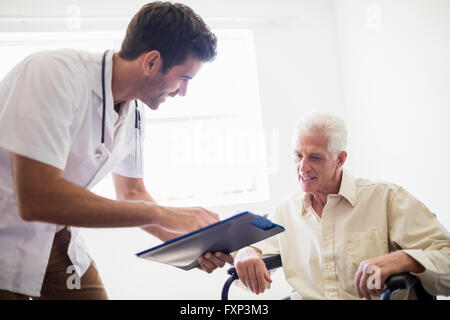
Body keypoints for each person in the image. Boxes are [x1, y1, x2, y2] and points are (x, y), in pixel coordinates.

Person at [0, 2, 233, 300]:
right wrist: (165, 214)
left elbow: (132, 193)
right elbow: (36, 199)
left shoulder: (134, 111)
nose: (182, 92)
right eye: (183, 78)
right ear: (151, 62)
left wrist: (194, 246)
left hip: (56, 235)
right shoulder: (53, 74)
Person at [234, 112, 450, 300]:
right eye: (298, 155)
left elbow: (446, 258)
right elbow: (250, 248)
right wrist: (246, 252)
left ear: (340, 159)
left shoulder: (387, 198)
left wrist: (404, 259)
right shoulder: (285, 211)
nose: (302, 167)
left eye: (315, 157)